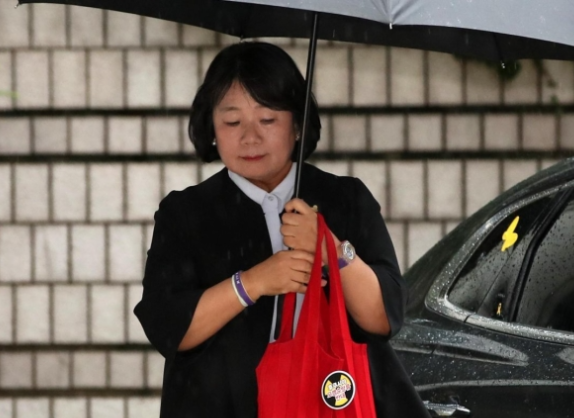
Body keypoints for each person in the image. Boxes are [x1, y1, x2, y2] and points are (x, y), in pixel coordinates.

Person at [134, 42, 429, 418]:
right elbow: (169, 327)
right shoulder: (185, 212)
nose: (250, 137)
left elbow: (384, 318)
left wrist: (332, 249)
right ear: (211, 129)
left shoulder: (345, 199)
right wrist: (253, 283)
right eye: (232, 122)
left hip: (335, 405)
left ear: (298, 125)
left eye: (268, 120)